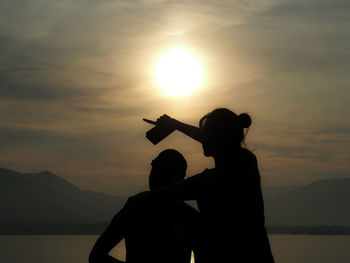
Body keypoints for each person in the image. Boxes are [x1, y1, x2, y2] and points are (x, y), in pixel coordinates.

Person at [141, 108, 275, 263]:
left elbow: (163, 194)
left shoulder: (209, 181)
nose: (202, 136)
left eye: (207, 133)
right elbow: (216, 141)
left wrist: (138, 199)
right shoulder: (247, 162)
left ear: (218, 139)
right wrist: (175, 124)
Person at [89, 149, 203, 263]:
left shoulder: (135, 207)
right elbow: (96, 255)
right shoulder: (190, 216)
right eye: (154, 168)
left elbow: (96, 255)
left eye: (158, 170)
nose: (153, 174)